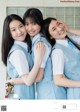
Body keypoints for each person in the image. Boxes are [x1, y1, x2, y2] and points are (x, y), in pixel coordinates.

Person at [2, 14, 45, 99]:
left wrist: (11, 81)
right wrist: (39, 58)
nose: (19, 32)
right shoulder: (18, 52)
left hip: (18, 96)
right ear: (9, 33)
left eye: (21, 26)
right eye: (13, 30)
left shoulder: (24, 48)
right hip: (20, 98)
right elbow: (28, 81)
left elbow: (10, 82)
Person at [23, 8, 56, 99]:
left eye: (34, 24)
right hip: (44, 91)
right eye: (27, 24)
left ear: (40, 24)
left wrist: (11, 82)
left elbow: (39, 76)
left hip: (50, 92)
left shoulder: (40, 43)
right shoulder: (33, 42)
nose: (30, 28)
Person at [42, 17, 80, 99]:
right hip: (76, 93)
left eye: (58, 24)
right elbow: (58, 80)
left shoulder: (71, 41)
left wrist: (69, 29)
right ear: (51, 36)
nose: (59, 28)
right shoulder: (58, 51)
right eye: (54, 29)